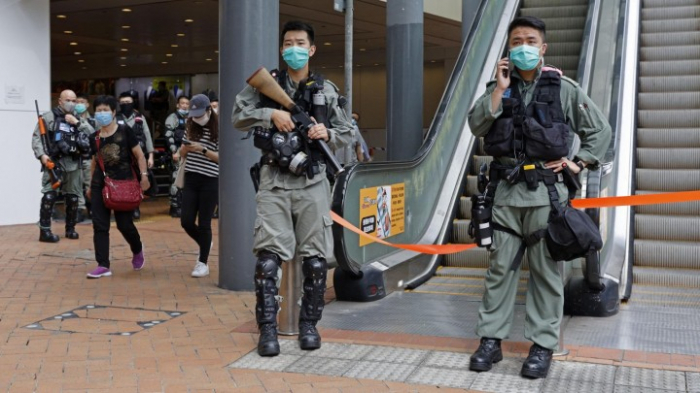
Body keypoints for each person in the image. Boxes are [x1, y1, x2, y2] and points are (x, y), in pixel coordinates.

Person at [466, 16, 611, 379]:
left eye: (530, 41)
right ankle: (490, 341)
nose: (523, 47)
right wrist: (498, 90)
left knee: (547, 273)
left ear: (543, 48)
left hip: (547, 196)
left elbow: (599, 130)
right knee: (499, 270)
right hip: (504, 196)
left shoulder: (564, 88)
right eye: (516, 42)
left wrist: (580, 163)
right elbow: (475, 125)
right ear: (508, 50)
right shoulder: (497, 88)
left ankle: (542, 345)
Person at [232, 20, 353, 357]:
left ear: (311, 49)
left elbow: (348, 131)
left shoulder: (326, 90)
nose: (294, 48)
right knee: (267, 260)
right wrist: (270, 113)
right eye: (288, 43)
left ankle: (309, 325)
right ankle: (267, 330)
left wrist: (327, 134)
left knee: (315, 261)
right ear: (282, 48)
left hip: (313, 180)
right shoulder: (265, 85)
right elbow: (236, 116)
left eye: (300, 43)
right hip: (274, 179)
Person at [86, 95, 150, 279]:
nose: (102, 113)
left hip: (124, 183)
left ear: (114, 112)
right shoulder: (95, 137)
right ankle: (103, 265)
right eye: (98, 110)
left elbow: (139, 155)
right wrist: (91, 184)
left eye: (105, 110)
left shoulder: (125, 131)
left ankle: (137, 249)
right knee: (100, 225)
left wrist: (144, 176)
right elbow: (93, 162)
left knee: (124, 225)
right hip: (101, 184)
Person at [31, 89, 94, 242]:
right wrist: (42, 156)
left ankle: (70, 229)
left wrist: (76, 122)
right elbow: (36, 138)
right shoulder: (48, 117)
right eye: (68, 100)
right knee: (49, 195)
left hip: (73, 163)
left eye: (74, 100)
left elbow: (92, 134)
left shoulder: (79, 118)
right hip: (54, 163)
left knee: (73, 197)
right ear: (60, 101)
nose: (71, 103)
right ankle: (44, 231)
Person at [178, 94, 219, 278]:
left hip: (211, 179)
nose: (197, 118)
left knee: (204, 223)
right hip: (191, 177)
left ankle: (202, 263)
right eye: (193, 115)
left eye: (200, 114)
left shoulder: (219, 127)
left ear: (209, 110)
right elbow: (182, 153)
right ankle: (204, 242)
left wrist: (202, 150)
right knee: (186, 220)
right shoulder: (190, 125)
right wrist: (185, 149)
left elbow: (222, 158)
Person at [117, 91, 155, 219]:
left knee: (136, 183)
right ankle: (123, 208)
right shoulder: (115, 118)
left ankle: (135, 208)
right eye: (123, 103)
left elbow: (148, 136)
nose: (125, 105)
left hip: (137, 158)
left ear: (133, 103)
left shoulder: (140, 117)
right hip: (120, 158)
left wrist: (150, 156)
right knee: (122, 183)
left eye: (128, 102)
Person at [164, 96, 190, 217]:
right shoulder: (173, 118)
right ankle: (175, 206)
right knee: (176, 180)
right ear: (178, 105)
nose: (185, 105)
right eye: (182, 103)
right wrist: (174, 151)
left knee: (187, 181)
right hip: (178, 153)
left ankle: (185, 205)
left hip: (190, 153)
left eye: (187, 103)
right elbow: (169, 136)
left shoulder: (192, 118)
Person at [76, 92, 96, 220]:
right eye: (77, 102)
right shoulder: (68, 118)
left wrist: (80, 122)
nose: (79, 105)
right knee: (76, 185)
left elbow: (94, 134)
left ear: (87, 104)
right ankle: (80, 210)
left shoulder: (93, 120)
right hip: (75, 158)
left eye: (82, 102)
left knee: (90, 184)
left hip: (89, 157)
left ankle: (92, 208)